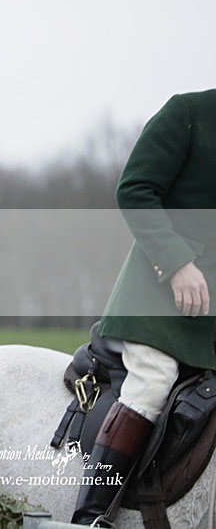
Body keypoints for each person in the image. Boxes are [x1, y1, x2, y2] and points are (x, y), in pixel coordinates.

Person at [72, 90, 216, 524]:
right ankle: (91, 516)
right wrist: (177, 263)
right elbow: (134, 188)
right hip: (158, 302)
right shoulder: (188, 114)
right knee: (154, 381)